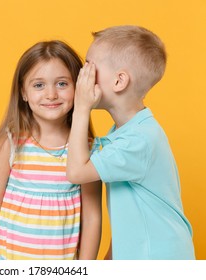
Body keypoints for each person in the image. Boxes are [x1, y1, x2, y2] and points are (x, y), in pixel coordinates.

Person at [66, 25, 195, 259]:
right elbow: (133, 214)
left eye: (89, 66)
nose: (82, 75)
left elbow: (75, 172)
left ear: (119, 81)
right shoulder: (126, 133)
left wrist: (81, 107)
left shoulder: (138, 141)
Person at [0, 40, 102, 260]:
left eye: (62, 84)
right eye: (39, 85)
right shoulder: (10, 143)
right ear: (24, 93)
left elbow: (92, 217)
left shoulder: (87, 151)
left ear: (78, 88)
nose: (51, 94)